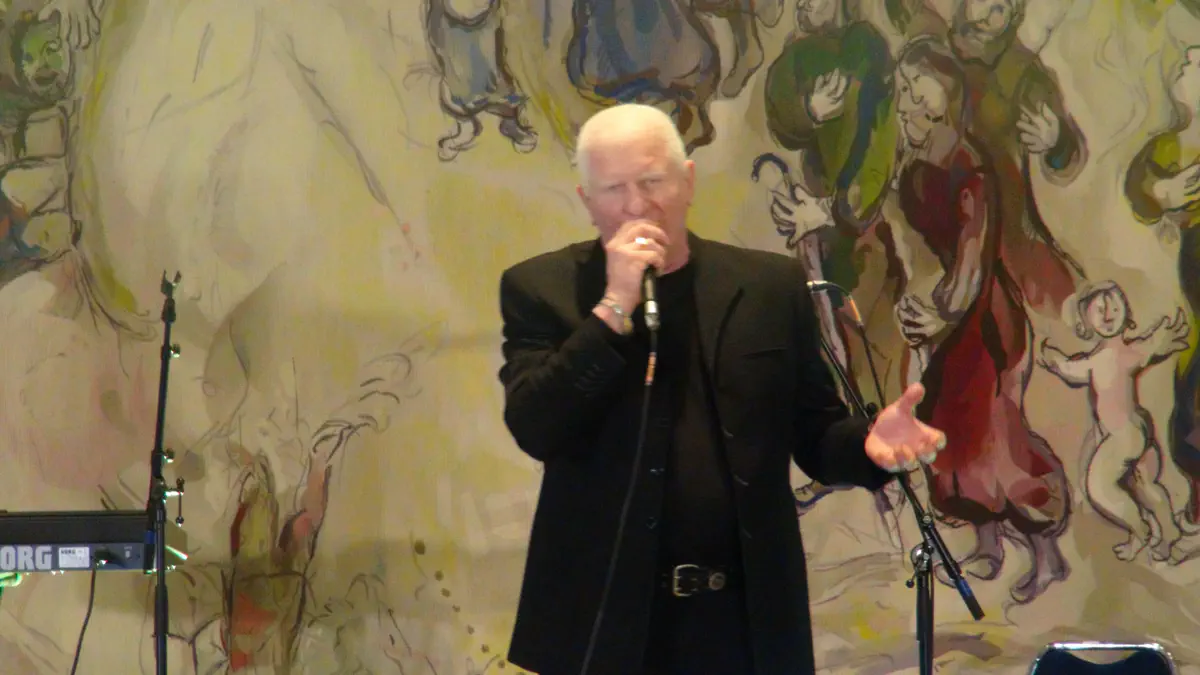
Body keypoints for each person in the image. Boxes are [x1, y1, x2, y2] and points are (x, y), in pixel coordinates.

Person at [496, 103, 947, 675]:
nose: (636, 205)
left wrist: (869, 444)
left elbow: (815, 433)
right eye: (614, 189)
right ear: (588, 202)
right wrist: (613, 309)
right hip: (605, 621)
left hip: (744, 620)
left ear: (687, 181)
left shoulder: (767, 286)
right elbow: (536, 426)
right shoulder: (542, 289)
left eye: (652, 181)